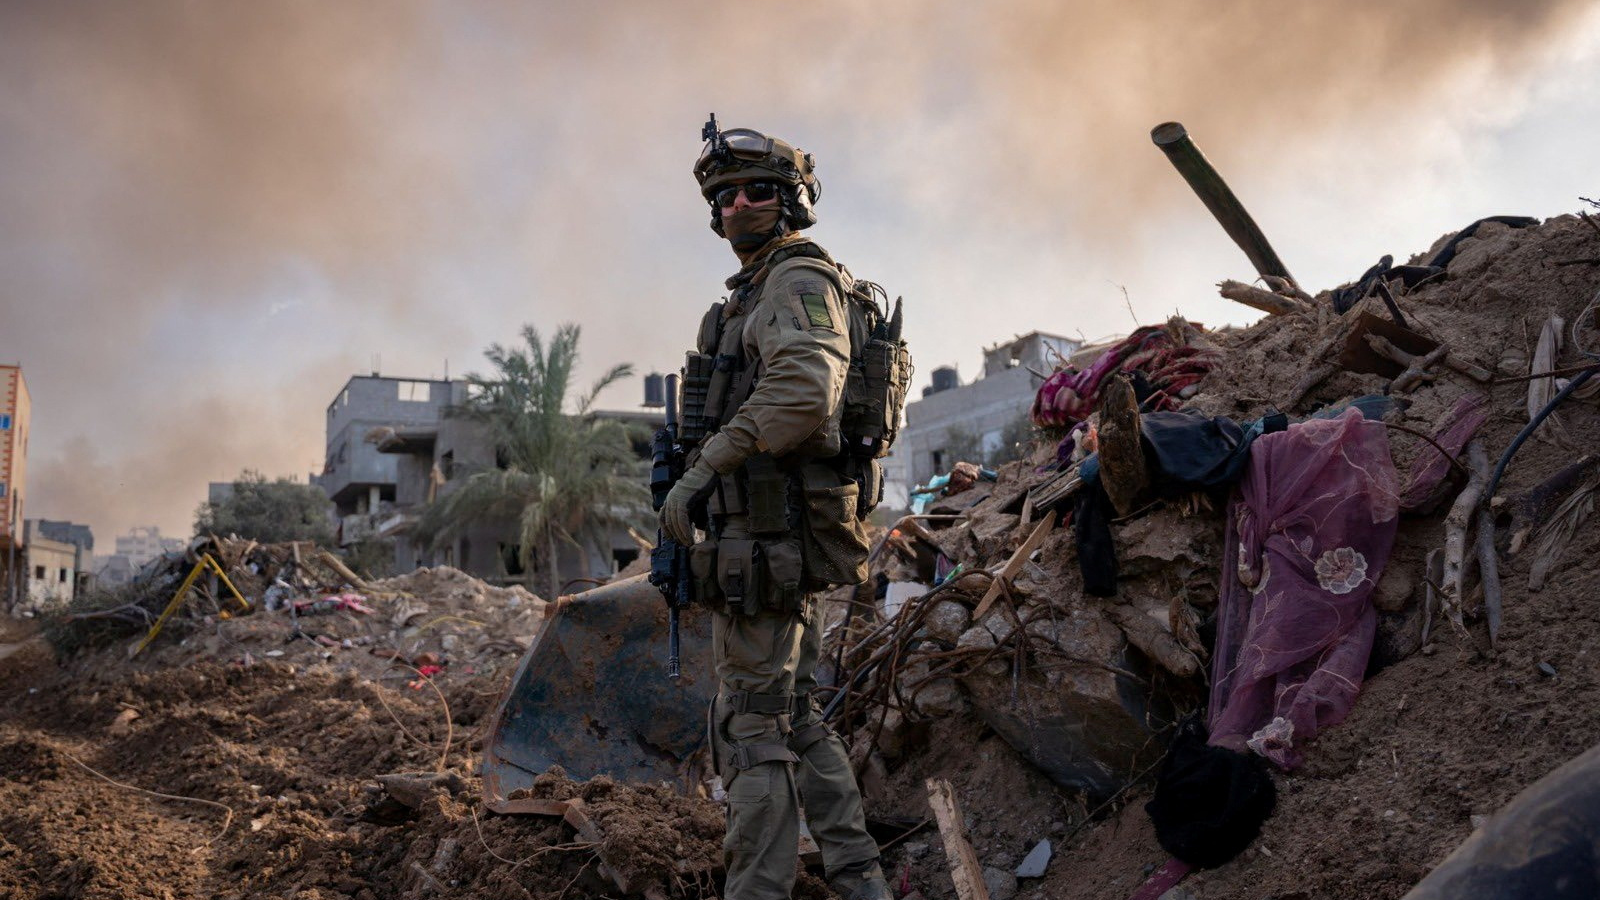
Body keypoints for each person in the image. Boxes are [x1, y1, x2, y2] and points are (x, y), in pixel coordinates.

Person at [658, 118, 892, 900]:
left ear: (793, 201)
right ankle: (860, 881)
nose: (737, 207)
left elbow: (804, 393)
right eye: (723, 196)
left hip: (769, 544)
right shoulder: (753, 293)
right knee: (794, 718)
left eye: (758, 191)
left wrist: (705, 472)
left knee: (751, 732)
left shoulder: (797, 281)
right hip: (762, 545)